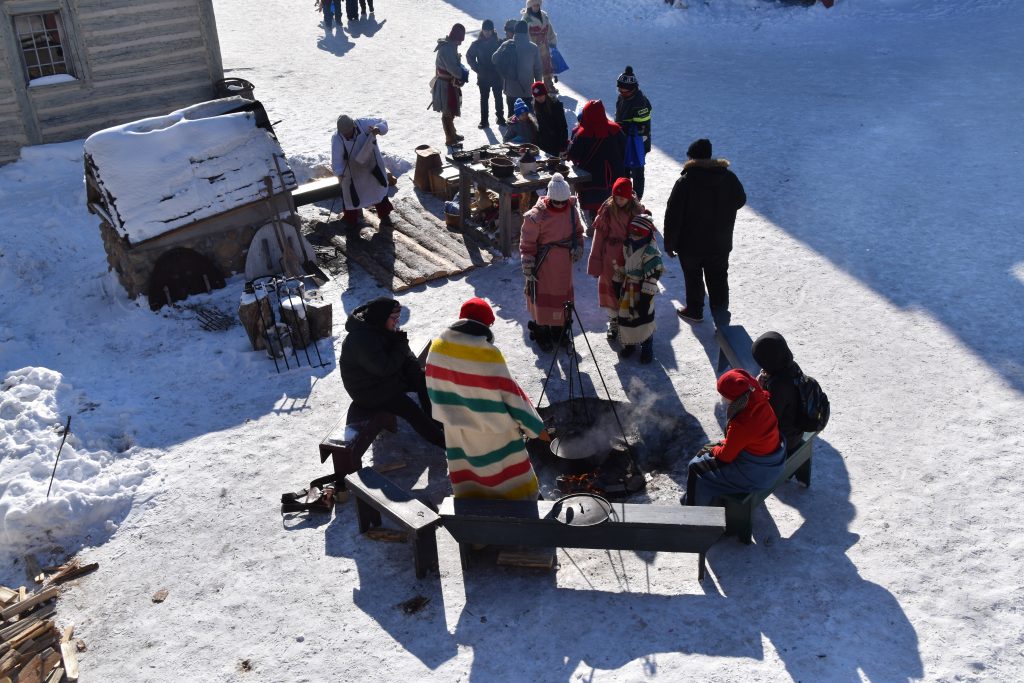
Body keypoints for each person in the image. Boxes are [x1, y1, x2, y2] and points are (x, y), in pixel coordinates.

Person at [425, 297, 548, 500]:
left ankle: (479, 518)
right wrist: (536, 428)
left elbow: (434, 392)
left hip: (458, 434)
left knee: (472, 485)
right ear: (486, 324)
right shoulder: (487, 354)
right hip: (494, 435)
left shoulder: (437, 348)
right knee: (511, 485)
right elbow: (512, 397)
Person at [339, 298, 445, 449]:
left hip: (383, 379)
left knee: (424, 380)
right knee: (410, 410)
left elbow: (404, 355)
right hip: (367, 391)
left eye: (398, 318)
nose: (397, 322)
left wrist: (416, 372)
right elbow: (384, 368)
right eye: (394, 318)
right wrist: (401, 344)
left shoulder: (380, 327)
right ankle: (445, 443)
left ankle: (437, 421)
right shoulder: (360, 340)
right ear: (382, 317)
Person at [663, 138, 747, 325]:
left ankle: (694, 311)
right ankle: (721, 318)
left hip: (690, 245)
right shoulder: (728, 177)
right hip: (720, 243)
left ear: (691, 158)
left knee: (693, 278)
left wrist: (669, 244)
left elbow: (673, 216)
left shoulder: (685, 182)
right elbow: (740, 199)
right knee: (718, 278)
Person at [684, 368, 786, 506]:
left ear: (734, 397)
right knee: (706, 452)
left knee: (696, 467)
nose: (723, 399)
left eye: (724, 395)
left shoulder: (743, 422)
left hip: (758, 472)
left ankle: (694, 512)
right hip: (773, 459)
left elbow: (726, 456)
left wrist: (714, 450)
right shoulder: (758, 398)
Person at [520, 173, 585, 352]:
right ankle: (541, 332)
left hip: (564, 264)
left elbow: (578, 233)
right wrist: (528, 264)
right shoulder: (536, 216)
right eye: (557, 202)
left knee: (562, 299)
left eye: (563, 202)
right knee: (542, 298)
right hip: (543, 265)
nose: (560, 205)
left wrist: (578, 247)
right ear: (549, 198)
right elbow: (527, 243)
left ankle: (560, 332)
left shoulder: (571, 210)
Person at [587, 177, 645, 340]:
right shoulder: (606, 210)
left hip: (630, 259)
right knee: (611, 292)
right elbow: (598, 239)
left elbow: (645, 237)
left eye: (622, 198)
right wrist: (595, 263)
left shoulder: (637, 211)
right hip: (609, 259)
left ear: (628, 196)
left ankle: (627, 323)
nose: (618, 201)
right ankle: (613, 322)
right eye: (616, 197)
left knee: (628, 292)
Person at [612, 215, 664, 364]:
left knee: (643, 318)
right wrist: (617, 281)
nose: (634, 237)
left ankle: (647, 348)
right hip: (627, 288)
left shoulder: (651, 252)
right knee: (625, 317)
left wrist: (645, 300)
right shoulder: (628, 244)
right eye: (632, 233)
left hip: (642, 290)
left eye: (638, 234)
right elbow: (623, 265)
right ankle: (629, 344)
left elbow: (652, 277)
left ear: (646, 234)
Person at [566, 99, 626, 226]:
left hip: (590, 180)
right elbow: (624, 149)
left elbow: (573, 155)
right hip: (613, 177)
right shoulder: (615, 130)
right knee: (612, 203)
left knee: (593, 205)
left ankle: (594, 222)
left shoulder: (581, 133)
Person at [330, 114, 394, 228]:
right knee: (350, 197)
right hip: (352, 171)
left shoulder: (363, 123)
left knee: (378, 189)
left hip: (371, 165)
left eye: (348, 131)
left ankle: (385, 216)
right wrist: (339, 174)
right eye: (344, 133)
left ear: (353, 126)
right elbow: (336, 159)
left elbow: (383, 121)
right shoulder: (337, 138)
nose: (347, 135)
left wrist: (378, 129)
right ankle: (351, 221)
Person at [751, 331, 804, 455]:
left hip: (787, 439)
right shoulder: (790, 366)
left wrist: (759, 389)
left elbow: (768, 418)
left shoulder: (778, 386)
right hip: (795, 426)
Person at [613, 66, 653, 200]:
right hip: (624, 140)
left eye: (625, 91)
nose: (622, 93)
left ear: (633, 89)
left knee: (637, 171)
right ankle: (623, 194)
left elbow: (642, 127)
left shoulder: (640, 103)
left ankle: (636, 198)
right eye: (620, 90)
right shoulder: (622, 98)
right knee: (623, 169)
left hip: (638, 143)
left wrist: (620, 127)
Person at [492, 20, 541, 122]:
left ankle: (512, 136)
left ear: (515, 31)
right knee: (529, 119)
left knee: (512, 117)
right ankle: (528, 137)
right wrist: (538, 86)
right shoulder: (533, 47)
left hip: (510, 88)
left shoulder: (507, 44)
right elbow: (538, 69)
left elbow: (494, 59)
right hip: (527, 89)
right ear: (526, 32)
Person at [432, 24, 469, 147]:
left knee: (451, 110)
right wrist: (462, 74)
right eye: (460, 40)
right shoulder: (447, 49)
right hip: (445, 85)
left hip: (449, 84)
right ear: (456, 38)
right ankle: (450, 139)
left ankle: (452, 133)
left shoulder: (450, 46)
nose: (461, 43)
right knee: (447, 112)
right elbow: (452, 68)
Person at [466, 19, 505, 129]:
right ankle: (484, 120)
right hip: (483, 76)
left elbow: (504, 57)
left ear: (493, 30)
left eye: (489, 30)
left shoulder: (499, 43)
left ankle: (500, 117)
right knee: (484, 99)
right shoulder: (477, 44)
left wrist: (501, 69)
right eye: (485, 30)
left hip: (497, 76)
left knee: (498, 98)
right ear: (482, 30)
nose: (487, 32)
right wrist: (477, 68)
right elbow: (469, 56)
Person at [521, 0, 558, 94]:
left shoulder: (544, 16)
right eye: (534, 5)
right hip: (533, 49)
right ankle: (534, 89)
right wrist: (529, 48)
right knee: (534, 69)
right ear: (530, 6)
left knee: (547, 67)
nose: (536, 7)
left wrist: (553, 41)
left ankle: (548, 85)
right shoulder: (526, 19)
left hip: (544, 48)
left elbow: (550, 31)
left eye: (538, 5)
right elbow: (525, 35)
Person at [531, 81, 568, 157]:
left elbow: (563, 126)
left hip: (556, 143)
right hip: (544, 144)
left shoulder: (555, 105)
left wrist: (563, 147)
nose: (539, 98)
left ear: (545, 93)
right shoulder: (536, 106)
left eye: (541, 95)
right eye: (536, 97)